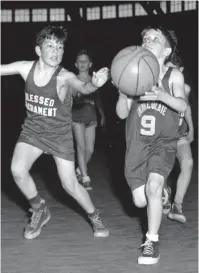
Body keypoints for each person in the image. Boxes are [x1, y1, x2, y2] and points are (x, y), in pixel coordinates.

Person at [0, 25, 109, 239]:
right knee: (17, 170)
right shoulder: (25, 68)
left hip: (59, 136)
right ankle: (39, 208)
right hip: (33, 131)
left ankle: (94, 215)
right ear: (38, 50)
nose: (55, 51)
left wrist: (94, 84)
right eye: (50, 46)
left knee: (70, 185)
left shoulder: (64, 76)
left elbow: (83, 88)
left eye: (60, 47)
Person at [115, 26, 187, 265]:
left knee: (153, 187)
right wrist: (123, 94)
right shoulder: (131, 73)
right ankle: (164, 192)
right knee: (140, 200)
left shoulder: (173, 75)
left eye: (156, 39)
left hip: (163, 143)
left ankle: (151, 242)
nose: (149, 40)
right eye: (145, 38)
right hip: (136, 146)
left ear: (166, 50)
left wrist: (161, 96)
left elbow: (182, 106)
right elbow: (122, 114)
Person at [163, 61, 194, 223]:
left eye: (173, 69)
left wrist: (192, 128)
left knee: (187, 163)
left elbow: (186, 108)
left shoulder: (185, 88)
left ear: (180, 70)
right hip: (162, 136)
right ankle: (164, 191)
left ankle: (177, 205)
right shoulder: (159, 87)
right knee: (161, 170)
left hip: (180, 134)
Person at [71, 50, 106, 190]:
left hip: (91, 118)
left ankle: (79, 171)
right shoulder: (72, 79)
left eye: (85, 61)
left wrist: (102, 115)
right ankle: (85, 178)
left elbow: (98, 101)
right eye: (80, 61)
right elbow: (70, 96)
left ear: (90, 64)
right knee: (81, 147)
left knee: (90, 150)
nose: (82, 63)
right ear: (76, 64)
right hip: (76, 117)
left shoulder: (95, 79)